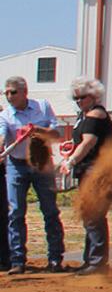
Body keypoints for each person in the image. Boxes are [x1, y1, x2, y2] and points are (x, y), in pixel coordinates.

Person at [0, 76, 64, 275]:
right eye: (7, 92)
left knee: (50, 211)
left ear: (24, 92)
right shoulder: (5, 115)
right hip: (16, 166)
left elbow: (57, 133)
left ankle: (55, 258)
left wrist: (38, 130)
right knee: (16, 213)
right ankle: (17, 260)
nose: (9, 96)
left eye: (13, 92)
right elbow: (2, 136)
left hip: (41, 164)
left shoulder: (42, 107)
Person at [59, 77, 112, 275]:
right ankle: (92, 259)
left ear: (93, 96)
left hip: (98, 172)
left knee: (94, 215)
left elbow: (88, 142)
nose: (79, 101)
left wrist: (71, 161)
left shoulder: (96, 115)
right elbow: (80, 143)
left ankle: (97, 262)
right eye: (76, 98)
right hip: (88, 171)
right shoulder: (84, 116)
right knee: (90, 215)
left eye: (82, 97)